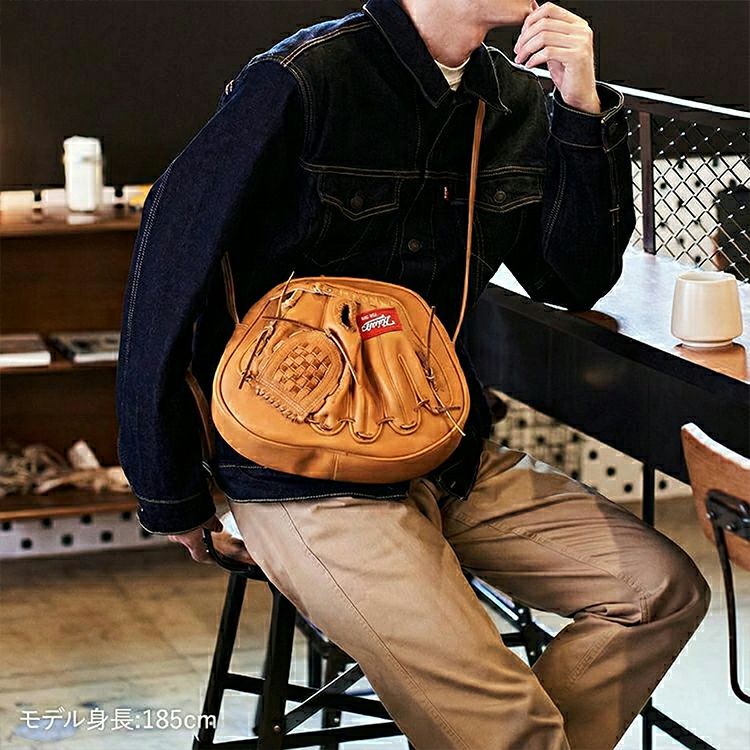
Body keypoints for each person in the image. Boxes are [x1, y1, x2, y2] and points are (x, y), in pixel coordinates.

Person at [115, 1, 711, 748]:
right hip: (297, 471)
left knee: (659, 593)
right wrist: (168, 489)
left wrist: (581, 110)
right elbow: (168, 273)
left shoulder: (516, 99)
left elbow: (573, 277)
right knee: (512, 730)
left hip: (444, 453)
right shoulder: (304, 79)